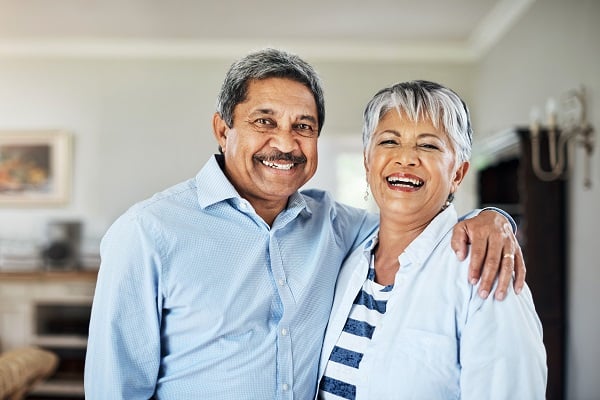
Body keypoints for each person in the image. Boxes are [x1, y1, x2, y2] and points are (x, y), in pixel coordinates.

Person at [84, 49, 525, 399]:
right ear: (223, 130)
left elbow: (412, 219)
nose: (284, 143)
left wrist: (491, 217)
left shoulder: (337, 227)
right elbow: (115, 388)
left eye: (304, 126)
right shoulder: (147, 232)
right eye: (264, 121)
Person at [317, 80, 547, 399]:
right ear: (368, 162)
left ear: (457, 173)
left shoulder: (483, 272)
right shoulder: (346, 254)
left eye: (428, 146)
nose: (406, 158)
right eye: (389, 141)